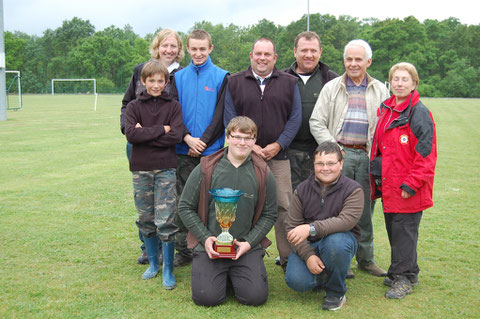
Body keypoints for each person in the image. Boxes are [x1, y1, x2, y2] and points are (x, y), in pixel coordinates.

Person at [309, 39, 389, 278]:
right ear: (344, 61)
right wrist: (334, 149)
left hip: (366, 156)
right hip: (339, 156)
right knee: (333, 209)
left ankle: (366, 259)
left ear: (368, 61)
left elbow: (386, 124)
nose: (353, 64)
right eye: (349, 59)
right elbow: (316, 121)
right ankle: (337, 258)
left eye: (358, 59)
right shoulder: (332, 87)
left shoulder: (380, 89)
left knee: (364, 210)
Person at [178, 116, 277, 306]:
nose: (242, 142)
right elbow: (185, 207)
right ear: (228, 137)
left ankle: (236, 275)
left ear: (254, 140)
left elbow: (270, 214)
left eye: (248, 138)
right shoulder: (207, 167)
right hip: (212, 246)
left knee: (255, 297)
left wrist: (249, 242)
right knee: (206, 298)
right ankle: (220, 275)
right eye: (237, 136)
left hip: (246, 247)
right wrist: (205, 237)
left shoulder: (263, 172)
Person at [224, 37, 301, 270]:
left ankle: (289, 259)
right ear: (251, 55)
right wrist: (250, 146)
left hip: (278, 157)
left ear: (275, 58)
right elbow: (229, 117)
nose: (262, 58)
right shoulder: (234, 81)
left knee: (284, 207)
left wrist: (279, 144)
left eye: (267, 54)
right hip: (243, 157)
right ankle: (241, 255)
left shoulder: (289, 82)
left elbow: (295, 117)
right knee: (242, 205)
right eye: (258, 53)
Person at [370, 62, 437, 299]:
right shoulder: (387, 109)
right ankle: (409, 271)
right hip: (389, 183)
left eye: (405, 79)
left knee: (404, 232)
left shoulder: (418, 112)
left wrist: (412, 183)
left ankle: (403, 278)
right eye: (395, 79)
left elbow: (426, 153)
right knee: (395, 230)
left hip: (406, 186)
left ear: (414, 83)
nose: (399, 83)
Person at [120, 29, 184, 265]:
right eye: (164, 45)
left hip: (167, 153)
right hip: (140, 151)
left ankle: (169, 252)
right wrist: (131, 131)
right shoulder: (140, 70)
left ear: (179, 50)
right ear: (157, 47)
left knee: (166, 204)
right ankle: (149, 250)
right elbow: (127, 104)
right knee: (145, 204)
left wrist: (145, 132)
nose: (169, 50)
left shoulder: (181, 74)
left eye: (173, 46)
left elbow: (175, 129)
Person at [171, 29, 229, 267]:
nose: (198, 53)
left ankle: (209, 247)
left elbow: (220, 115)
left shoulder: (222, 76)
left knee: (209, 204)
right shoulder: (177, 77)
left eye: (202, 49)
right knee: (183, 203)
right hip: (183, 151)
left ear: (210, 49)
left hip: (211, 151)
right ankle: (183, 251)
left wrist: (202, 141)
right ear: (187, 48)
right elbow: (173, 112)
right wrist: (187, 138)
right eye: (193, 49)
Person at [285, 141, 363, 311]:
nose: (325, 168)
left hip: (341, 240)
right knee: (297, 281)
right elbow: (292, 227)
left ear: (341, 164)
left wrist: (311, 228)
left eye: (331, 163)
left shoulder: (353, 189)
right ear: (314, 164)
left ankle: (336, 292)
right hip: (310, 243)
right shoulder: (302, 189)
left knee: (336, 244)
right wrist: (308, 256)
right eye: (320, 163)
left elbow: (346, 220)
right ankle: (323, 275)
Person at [284, 31, 339, 191]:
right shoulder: (282, 78)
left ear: (320, 52)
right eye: (304, 50)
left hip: (320, 152)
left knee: (320, 201)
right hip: (287, 153)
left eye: (313, 51)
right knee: (289, 204)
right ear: (295, 51)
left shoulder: (332, 80)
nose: (309, 55)